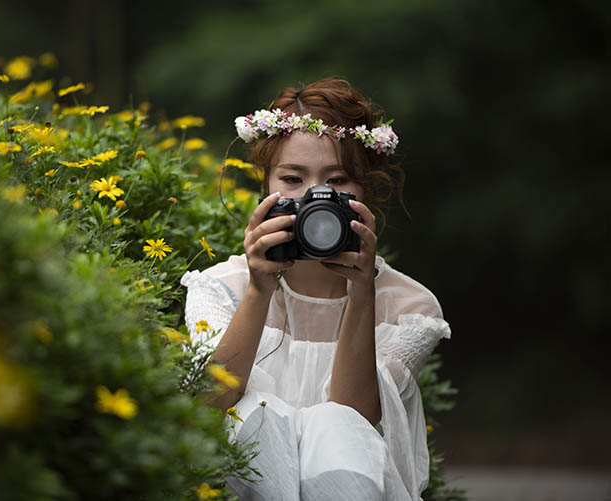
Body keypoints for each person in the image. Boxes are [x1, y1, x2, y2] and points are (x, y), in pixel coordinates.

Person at [181, 78, 451, 500]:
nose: (314, 198)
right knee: (255, 415)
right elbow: (208, 406)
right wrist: (258, 289)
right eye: (292, 179)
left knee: (333, 426)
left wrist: (362, 295)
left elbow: (354, 419)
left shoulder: (408, 306)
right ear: (266, 187)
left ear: (366, 190)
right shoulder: (221, 290)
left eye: (337, 180)